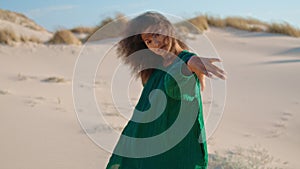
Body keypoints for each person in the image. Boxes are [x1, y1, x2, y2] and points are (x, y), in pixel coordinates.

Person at [106, 11, 226, 169]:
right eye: (148, 41)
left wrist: (189, 63)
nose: (155, 43)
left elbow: (174, 85)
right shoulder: (154, 70)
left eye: (157, 34)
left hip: (177, 147)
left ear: (168, 29)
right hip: (151, 143)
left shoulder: (186, 61)